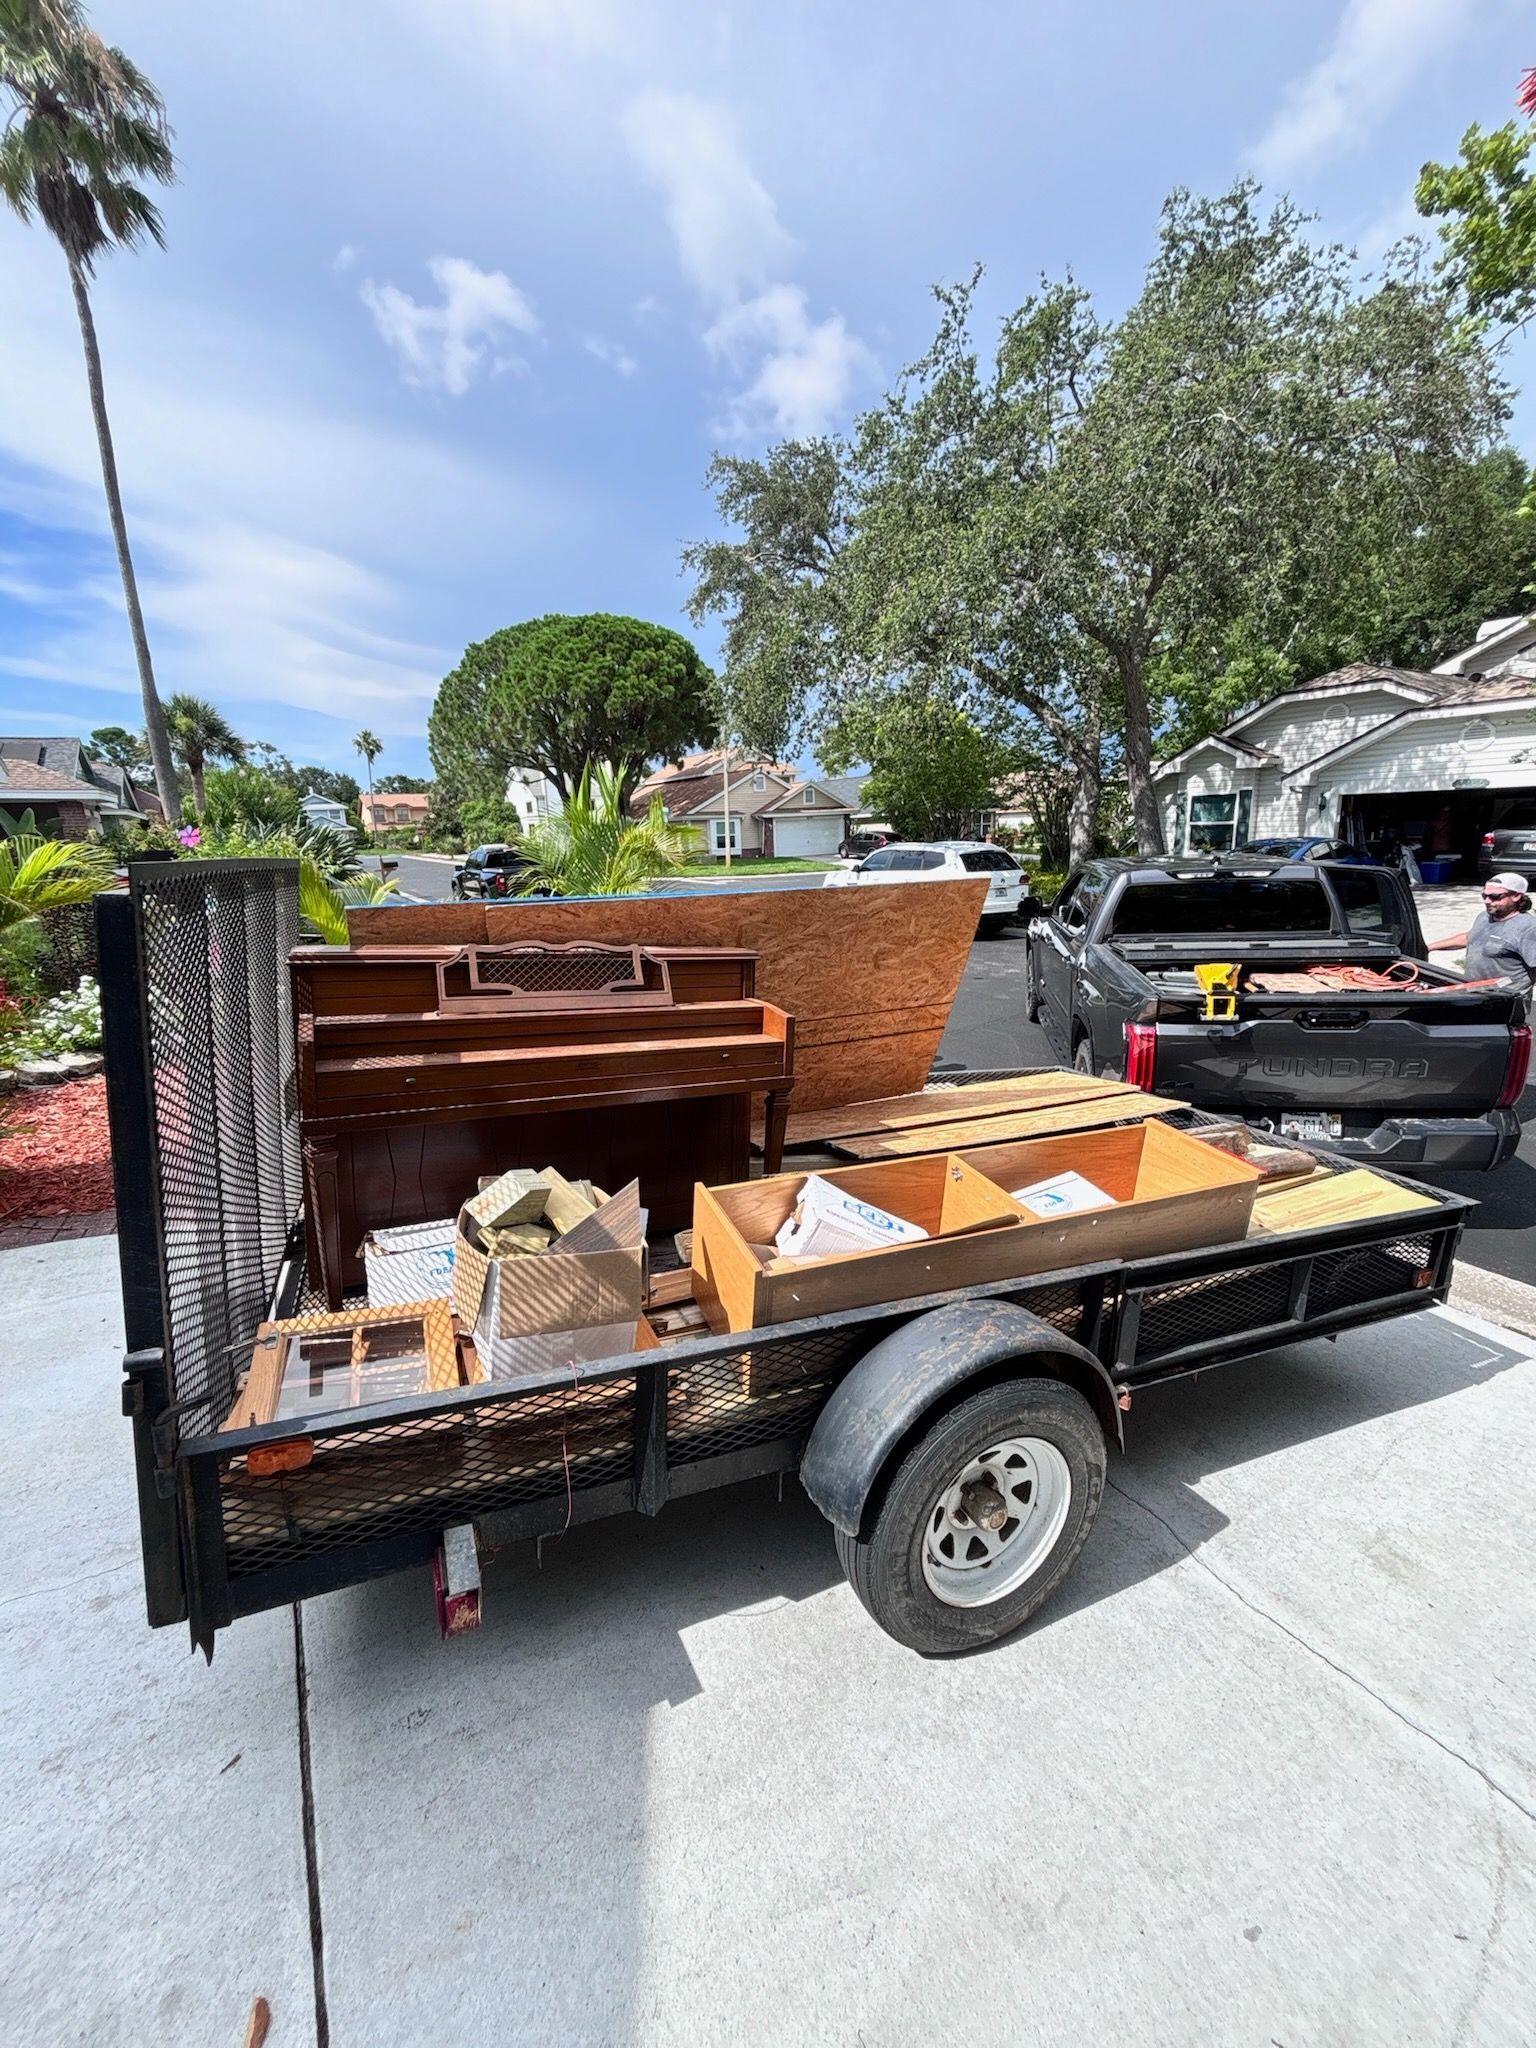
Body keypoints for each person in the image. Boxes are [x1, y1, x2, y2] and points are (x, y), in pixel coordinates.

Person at [1431, 873, 1536, 991]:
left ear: (1516, 896)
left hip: (1504, 1001)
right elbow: (1470, 938)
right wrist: (1429, 947)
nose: (1487, 901)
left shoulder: (1529, 928)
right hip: (1473, 994)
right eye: (1484, 896)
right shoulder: (1484, 917)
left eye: (1495, 897)